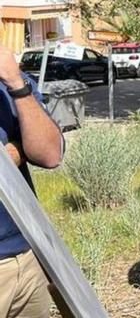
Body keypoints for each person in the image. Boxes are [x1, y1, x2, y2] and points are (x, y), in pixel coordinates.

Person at [0, 45, 64, 318]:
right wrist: (17, 151)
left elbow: (50, 153)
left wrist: (16, 83)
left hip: (26, 254)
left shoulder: (10, 81)